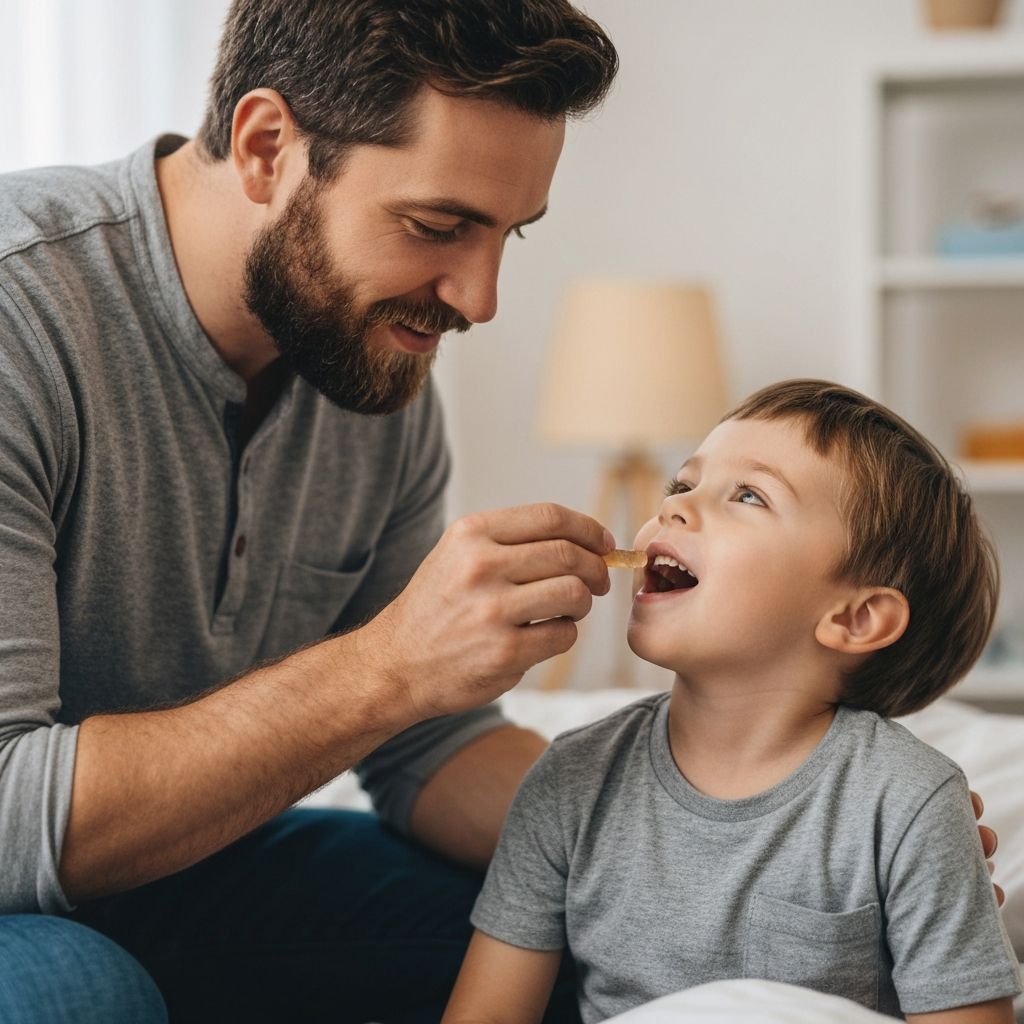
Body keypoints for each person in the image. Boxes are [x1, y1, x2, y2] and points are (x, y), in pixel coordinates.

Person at [0, 2, 620, 1022]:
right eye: (435, 226)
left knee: (545, 933)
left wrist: (728, 833)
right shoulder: (25, 317)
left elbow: (430, 747)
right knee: (78, 994)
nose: (478, 296)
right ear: (266, 147)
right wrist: (387, 664)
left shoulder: (369, 360)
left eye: (508, 235)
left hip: (179, 877)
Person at [443, 380, 1022, 1024]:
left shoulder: (910, 802)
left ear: (856, 619)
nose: (679, 507)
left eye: (748, 494)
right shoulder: (568, 782)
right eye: (682, 484)